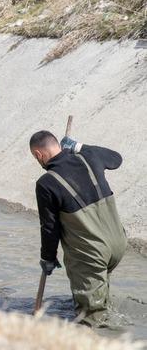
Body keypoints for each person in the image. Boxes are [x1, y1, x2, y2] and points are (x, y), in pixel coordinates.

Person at [29, 130, 127, 327]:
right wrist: (79, 147)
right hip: (118, 244)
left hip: (92, 255)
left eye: (35, 158)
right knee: (100, 301)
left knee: (90, 323)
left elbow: (49, 227)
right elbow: (116, 159)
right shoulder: (89, 157)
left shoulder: (46, 183)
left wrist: (47, 258)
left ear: (39, 155)